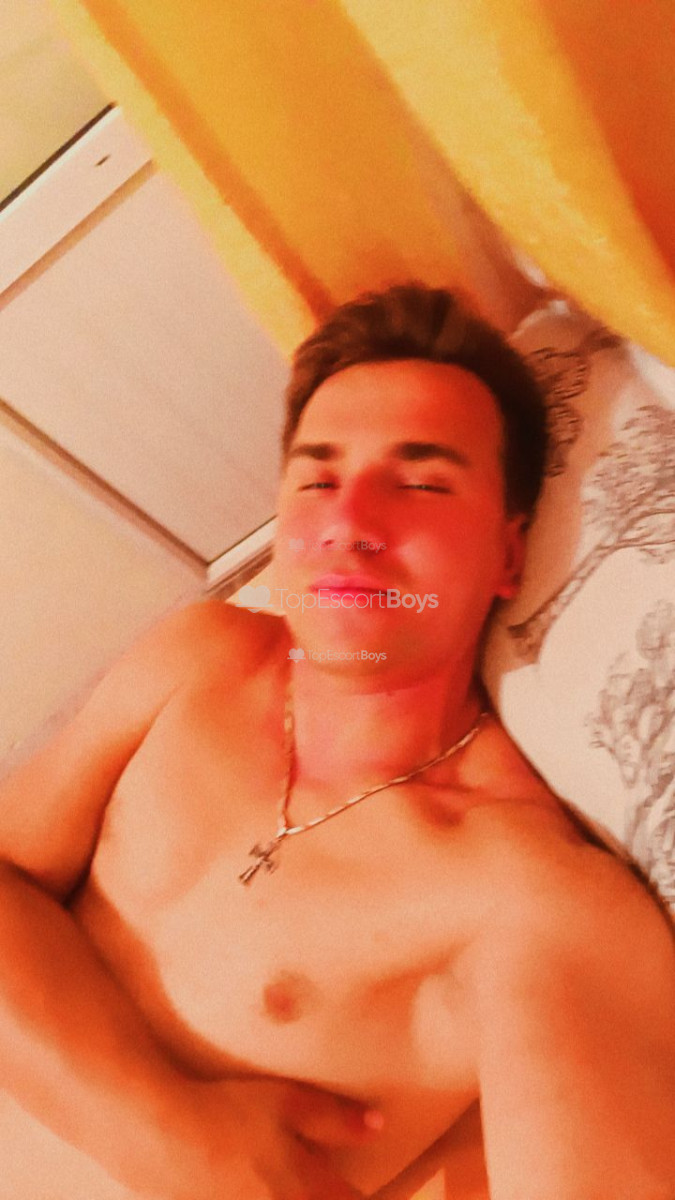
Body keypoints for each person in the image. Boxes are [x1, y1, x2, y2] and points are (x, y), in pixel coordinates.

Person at [0, 283, 673, 1200]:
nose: (348, 524)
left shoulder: (529, 899)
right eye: (317, 481)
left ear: (509, 554)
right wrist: (163, 1131)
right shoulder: (200, 659)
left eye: (420, 483)